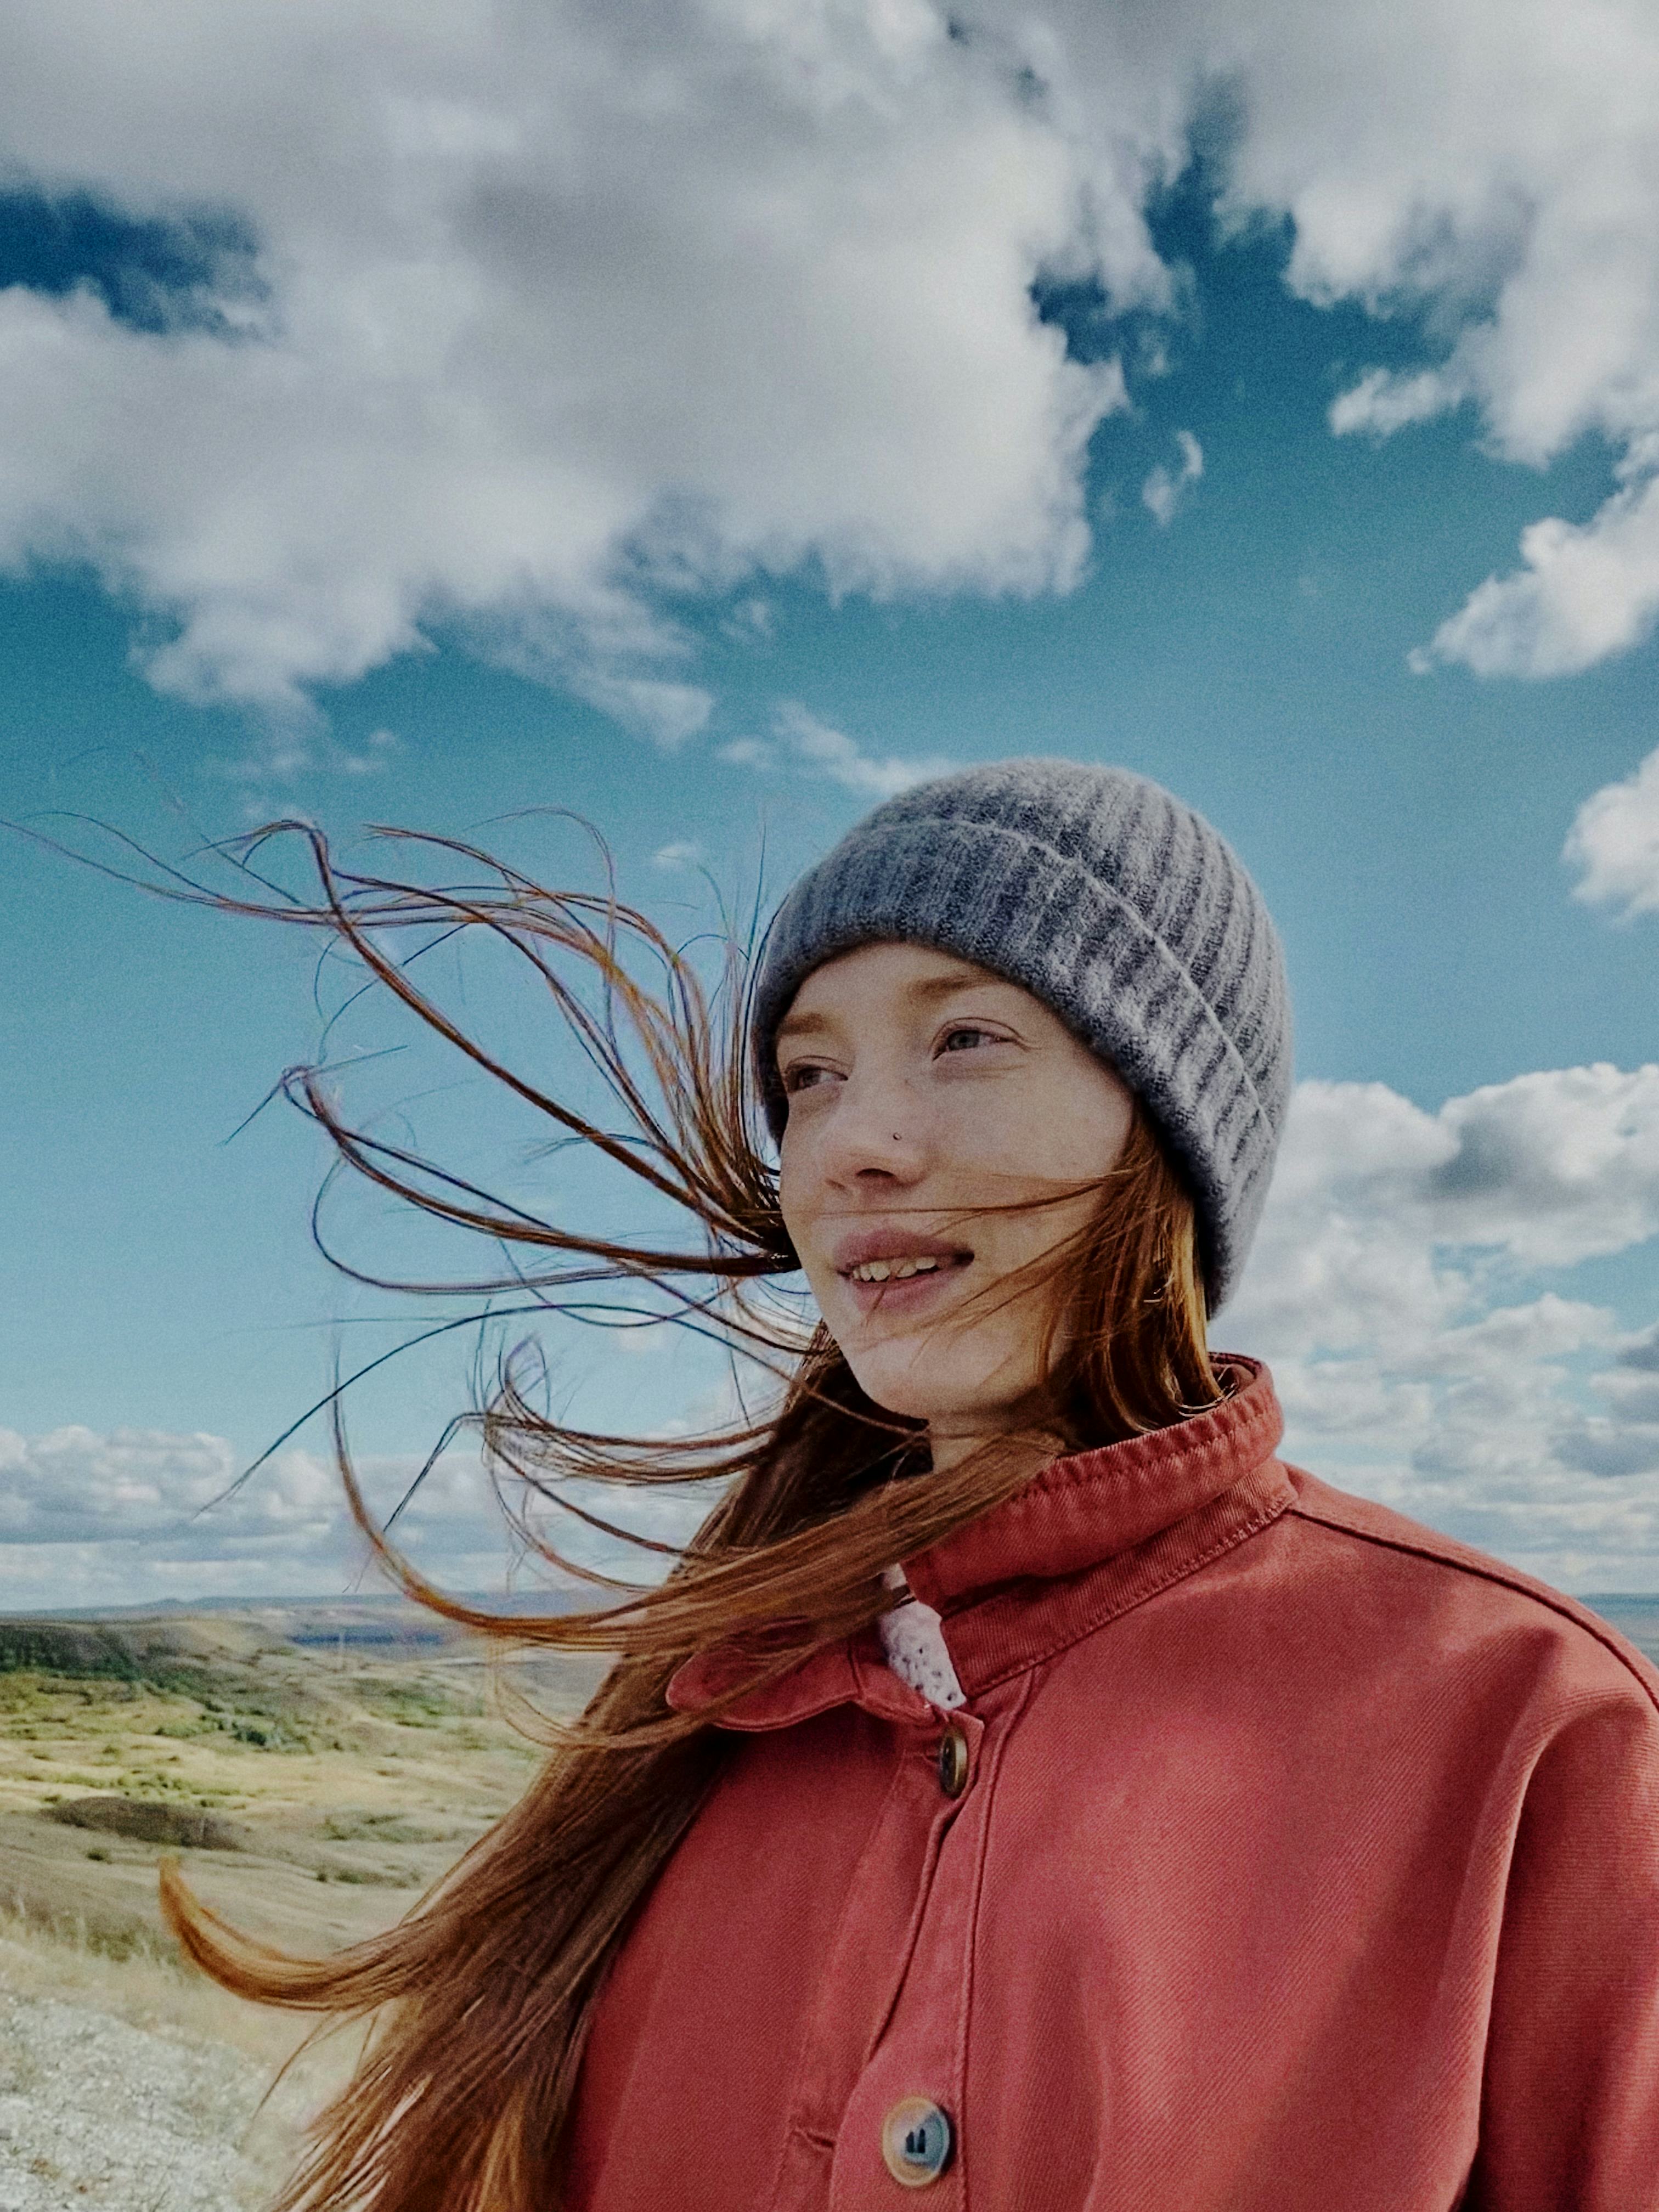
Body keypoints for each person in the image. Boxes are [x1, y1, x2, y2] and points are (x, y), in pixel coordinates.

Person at [165, 761, 1659, 2212]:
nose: (853, 1148)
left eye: (965, 1042)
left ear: (1169, 1118)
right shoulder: (697, 1723)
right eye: (811, 1077)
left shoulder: (1519, 1721)